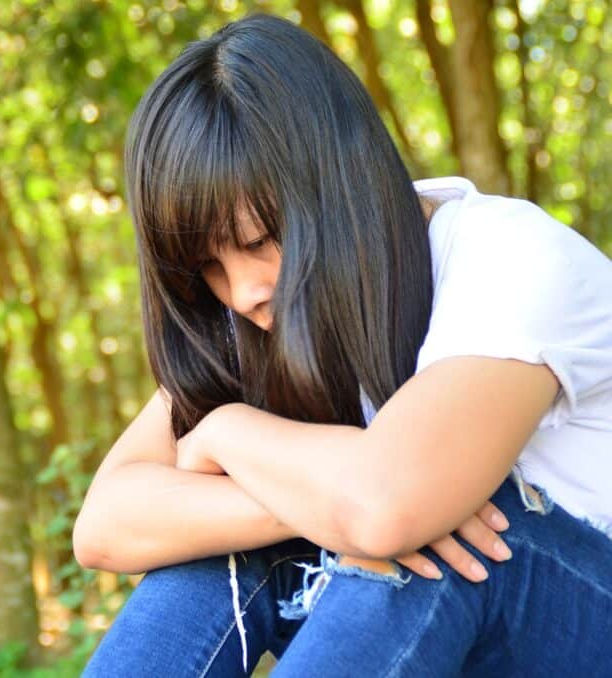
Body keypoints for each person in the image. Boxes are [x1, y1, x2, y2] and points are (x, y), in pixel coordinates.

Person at [72, 13, 612, 677]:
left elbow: (384, 512)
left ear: (339, 184)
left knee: (426, 522)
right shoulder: (262, 314)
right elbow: (104, 524)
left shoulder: (512, 257)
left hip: (584, 614)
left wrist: (225, 430)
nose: (242, 293)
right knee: (244, 534)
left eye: (259, 242)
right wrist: (317, 502)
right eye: (208, 266)